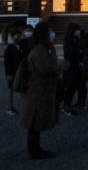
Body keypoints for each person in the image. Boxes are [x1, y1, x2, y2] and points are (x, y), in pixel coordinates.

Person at [19, 22, 60, 160]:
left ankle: (35, 148)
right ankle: (34, 150)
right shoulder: (40, 49)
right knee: (34, 120)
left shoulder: (40, 47)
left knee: (35, 121)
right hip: (38, 89)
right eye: (49, 31)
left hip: (39, 87)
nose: (52, 33)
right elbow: (44, 68)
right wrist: (58, 66)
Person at [61, 23, 82, 116]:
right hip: (71, 67)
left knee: (72, 87)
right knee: (70, 87)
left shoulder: (75, 40)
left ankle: (67, 105)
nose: (79, 31)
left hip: (74, 67)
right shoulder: (69, 41)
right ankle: (66, 106)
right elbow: (70, 54)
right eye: (78, 29)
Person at [4, 30, 23, 115]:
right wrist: (8, 73)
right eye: (16, 36)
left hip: (20, 71)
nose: (18, 37)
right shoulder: (10, 48)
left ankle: (23, 107)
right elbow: (6, 62)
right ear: (12, 37)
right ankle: (9, 107)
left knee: (22, 89)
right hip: (12, 72)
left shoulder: (21, 46)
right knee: (10, 90)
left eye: (19, 35)